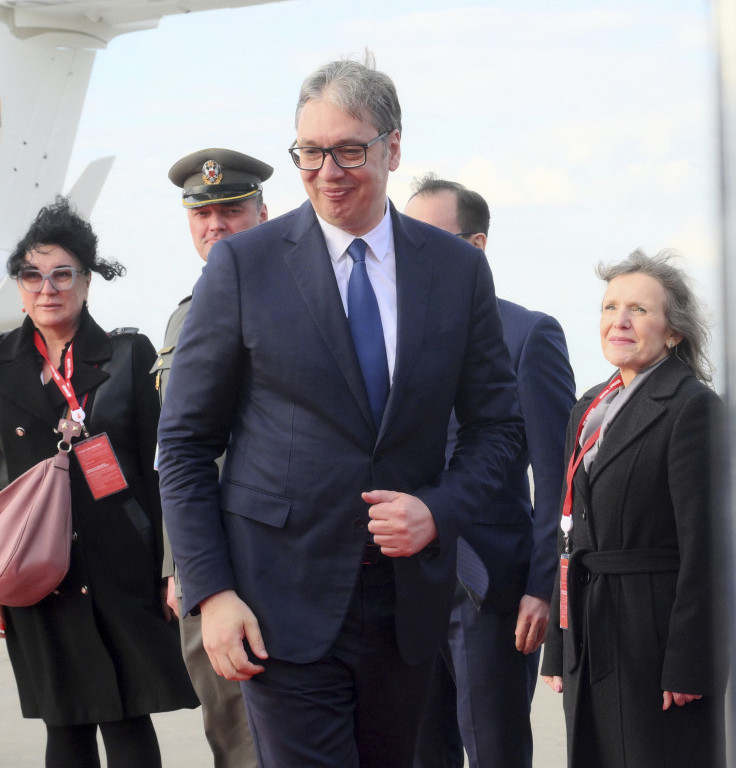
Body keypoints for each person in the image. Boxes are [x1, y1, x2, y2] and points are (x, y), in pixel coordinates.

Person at [156, 55, 521, 768]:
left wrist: (438, 509)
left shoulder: (457, 271)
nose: (328, 172)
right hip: (275, 603)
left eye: (349, 150)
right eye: (310, 152)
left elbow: (498, 428)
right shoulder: (245, 266)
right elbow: (187, 443)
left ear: (392, 147)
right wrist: (212, 591)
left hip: (406, 606)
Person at [0, 197, 198, 767]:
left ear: (87, 281)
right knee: (64, 725)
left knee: (127, 717)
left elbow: (162, 469)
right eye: (32, 275)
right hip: (36, 571)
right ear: (19, 287)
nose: (47, 289)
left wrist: (172, 567)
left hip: (122, 567)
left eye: (63, 274)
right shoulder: (2, 367)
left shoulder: (127, 356)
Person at [404, 177, 575, 768]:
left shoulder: (528, 335)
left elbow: (557, 480)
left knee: (496, 753)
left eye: (430, 236)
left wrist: (542, 588)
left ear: (475, 246)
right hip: (404, 588)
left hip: (491, 590)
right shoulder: (392, 335)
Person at [540, 249, 725, 767]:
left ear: (674, 332)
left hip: (654, 638)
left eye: (639, 310)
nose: (619, 321)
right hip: (589, 630)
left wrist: (692, 663)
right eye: (610, 307)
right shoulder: (587, 408)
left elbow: (708, 550)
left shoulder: (692, 407)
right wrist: (559, 643)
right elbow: (568, 531)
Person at [153, 147, 272, 768]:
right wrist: (180, 565)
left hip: (276, 556)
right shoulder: (184, 317)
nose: (215, 225)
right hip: (204, 562)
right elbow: (176, 455)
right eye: (202, 214)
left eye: (231, 210)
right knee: (230, 738)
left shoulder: (294, 303)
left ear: (263, 214)